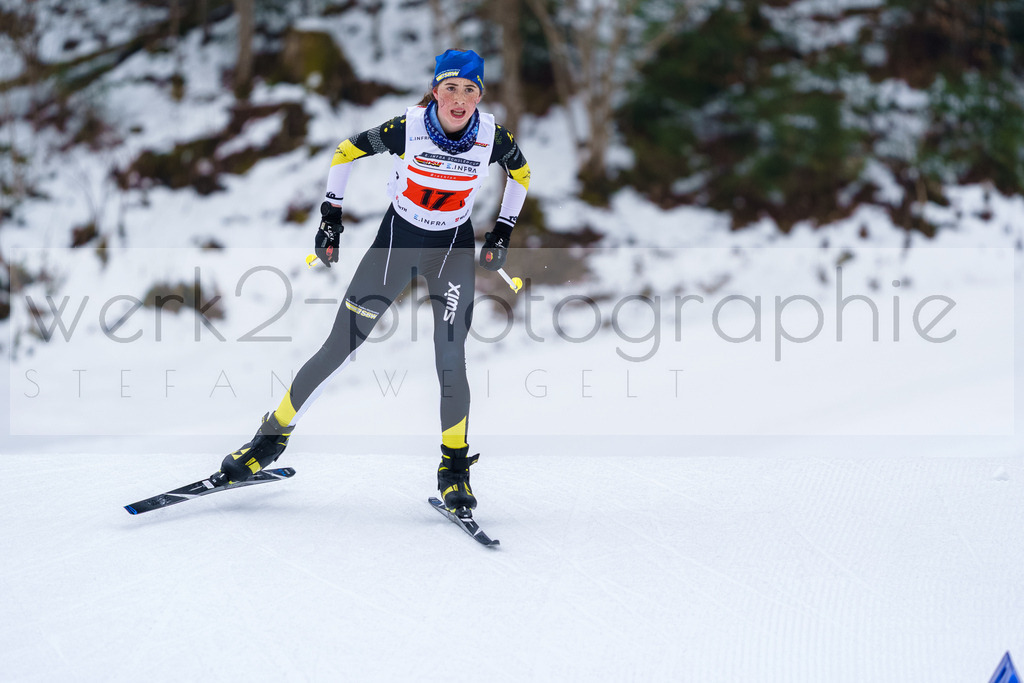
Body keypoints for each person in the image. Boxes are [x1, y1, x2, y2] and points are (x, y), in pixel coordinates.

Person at [211, 49, 531, 516]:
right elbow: (346, 152)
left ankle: (454, 471)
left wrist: (502, 228)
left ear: (480, 95)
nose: (460, 99)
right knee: (339, 344)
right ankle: (268, 441)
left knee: (450, 358)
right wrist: (330, 216)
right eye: (451, 88)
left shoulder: (492, 138)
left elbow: (520, 175)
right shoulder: (408, 128)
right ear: (435, 90)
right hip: (396, 244)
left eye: (470, 90)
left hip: (451, 250)